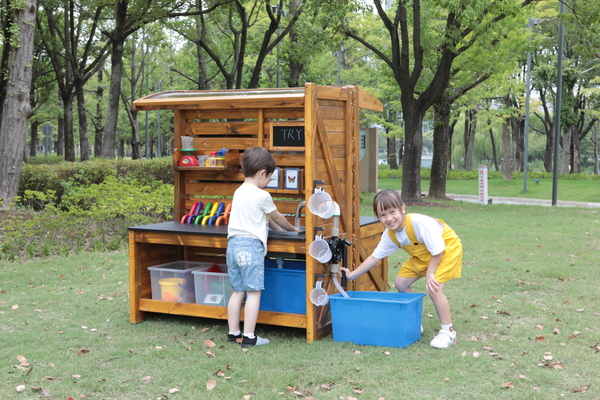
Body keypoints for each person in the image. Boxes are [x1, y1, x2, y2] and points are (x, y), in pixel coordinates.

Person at [340, 189, 462, 349]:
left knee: (434, 288)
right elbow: (374, 258)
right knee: (401, 283)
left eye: (392, 212)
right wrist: (351, 275)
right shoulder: (390, 235)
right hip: (424, 255)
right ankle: (414, 322)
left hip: (446, 251)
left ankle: (448, 332)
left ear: (402, 209)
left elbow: (438, 250)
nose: (389, 219)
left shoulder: (418, 223)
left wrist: (430, 274)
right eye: (382, 215)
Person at [226, 147, 301, 348]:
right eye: (269, 177)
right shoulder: (262, 195)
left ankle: (233, 334)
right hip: (250, 247)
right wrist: (292, 229)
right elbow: (277, 217)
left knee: (237, 291)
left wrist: (280, 228)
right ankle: (249, 336)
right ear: (261, 173)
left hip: (232, 246)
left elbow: (265, 219)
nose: (268, 181)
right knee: (254, 292)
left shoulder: (238, 192)